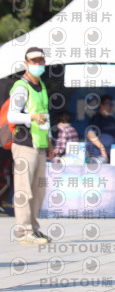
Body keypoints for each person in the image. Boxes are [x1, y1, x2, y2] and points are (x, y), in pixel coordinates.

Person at [7, 47, 52, 244]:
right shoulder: (21, 86)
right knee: (24, 189)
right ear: (26, 64)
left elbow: (45, 114)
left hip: (40, 143)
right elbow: (11, 115)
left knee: (39, 190)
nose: (38, 64)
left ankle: (33, 228)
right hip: (25, 143)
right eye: (34, 61)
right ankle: (24, 231)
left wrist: (50, 141)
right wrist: (31, 117)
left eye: (41, 60)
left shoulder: (41, 86)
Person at [86, 95, 115, 163]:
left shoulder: (111, 119)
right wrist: (102, 149)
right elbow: (90, 134)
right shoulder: (96, 118)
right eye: (109, 104)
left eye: (112, 104)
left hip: (111, 154)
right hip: (98, 155)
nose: (111, 106)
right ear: (101, 106)